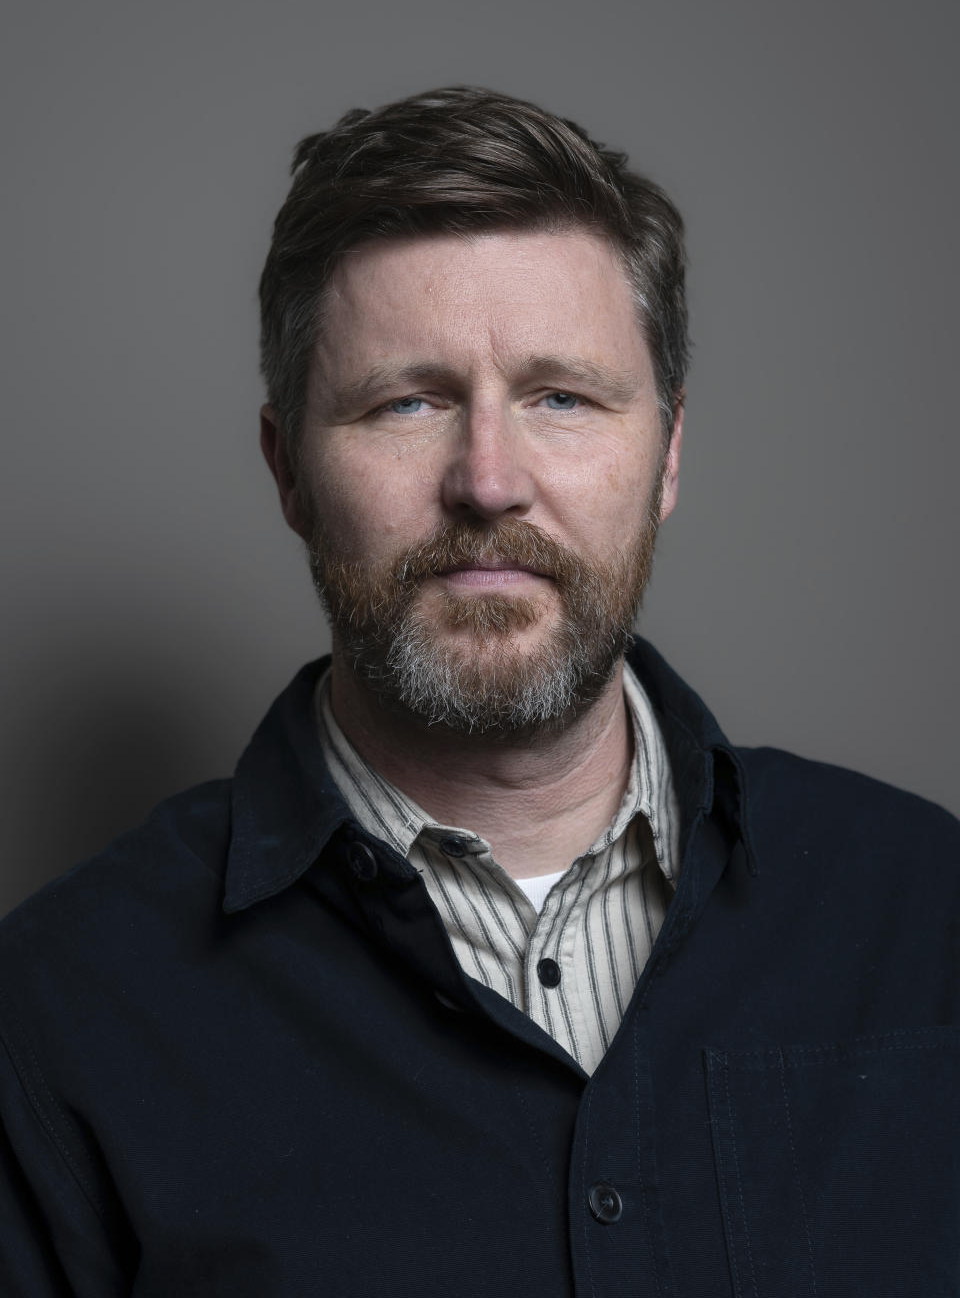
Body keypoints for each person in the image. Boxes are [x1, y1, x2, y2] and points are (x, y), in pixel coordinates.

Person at [1, 86, 957, 1298]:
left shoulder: (927, 916)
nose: (489, 481)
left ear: (665, 457)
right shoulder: (55, 1012)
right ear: (287, 469)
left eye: (562, 396)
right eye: (408, 403)